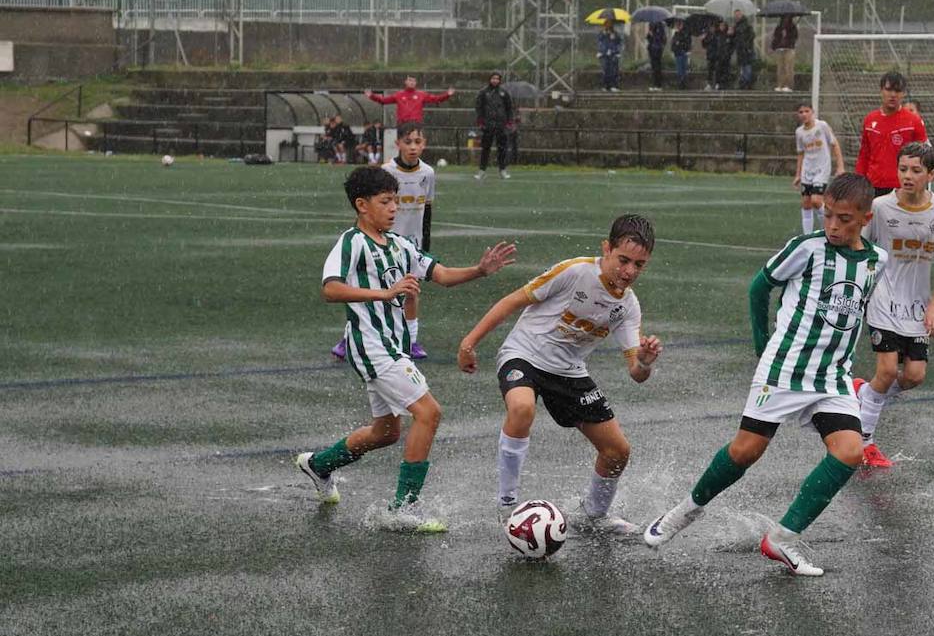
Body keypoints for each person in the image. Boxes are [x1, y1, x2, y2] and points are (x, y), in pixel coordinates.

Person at [642, 173, 887, 577]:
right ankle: (685, 511)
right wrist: (762, 344)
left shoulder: (877, 260)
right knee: (745, 452)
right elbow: (760, 287)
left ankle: (783, 538)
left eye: (844, 218)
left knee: (849, 451)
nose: (833, 226)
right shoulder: (807, 249)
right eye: (828, 216)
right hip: (784, 370)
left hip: (832, 378)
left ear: (865, 216)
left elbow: (862, 310)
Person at [296, 166, 517, 532]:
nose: (394, 208)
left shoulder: (401, 244)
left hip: (394, 347)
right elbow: (330, 289)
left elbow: (441, 275)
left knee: (386, 432)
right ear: (362, 205)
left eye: (396, 200)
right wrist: (383, 293)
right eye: (385, 201)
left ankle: (319, 465)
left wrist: (480, 269)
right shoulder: (351, 243)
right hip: (372, 346)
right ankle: (403, 508)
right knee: (429, 413)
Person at [458, 214, 663, 533]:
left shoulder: (628, 307)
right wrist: (469, 342)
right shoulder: (575, 271)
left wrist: (646, 362)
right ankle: (508, 507)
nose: (629, 271)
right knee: (522, 408)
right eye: (624, 260)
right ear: (606, 248)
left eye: (639, 265)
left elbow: (636, 373)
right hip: (523, 355)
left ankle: (595, 516)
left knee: (618, 451)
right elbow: (513, 301)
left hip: (569, 372)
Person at [852, 141, 934, 470]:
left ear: (931, 175)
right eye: (903, 169)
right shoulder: (881, 207)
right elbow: (860, 246)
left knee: (914, 376)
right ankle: (864, 443)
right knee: (886, 371)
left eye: (915, 170)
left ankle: (865, 395)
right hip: (882, 301)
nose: (907, 176)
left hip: (917, 307)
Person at [331, 122, 436, 361]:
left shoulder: (428, 173)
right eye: (407, 142)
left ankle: (410, 339)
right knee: (377, 294)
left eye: (418, 142)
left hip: (412, 242)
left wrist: (424, 243)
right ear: (397, 143)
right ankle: (349, 338)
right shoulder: (387, 171)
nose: (412, 147)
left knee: (411, 292)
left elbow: (427, 209)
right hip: (385, 245)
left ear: (425, 144)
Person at [855, 71, 928, 198]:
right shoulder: (870, 119)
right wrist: (859, 181)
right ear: (881, 90)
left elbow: (924, 157)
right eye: (888, 90)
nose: (893, 95)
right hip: (873, 186)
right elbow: (864, 154)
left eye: (898, 90)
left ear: (904, 93)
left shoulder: (913, 121)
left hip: (902, 187)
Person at [792, 102, 844, 235]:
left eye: (806, 111)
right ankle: (807, 235)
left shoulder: (822, 126)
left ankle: (826, 229)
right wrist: (798, 174)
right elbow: (801, 153)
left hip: (821, 168)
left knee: (816, 201)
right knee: (806, 203)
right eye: (801, 112)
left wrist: (840, 166)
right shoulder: (799, 132)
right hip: (807, 170)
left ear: (812, 112)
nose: (804, 114)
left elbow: (835, 144)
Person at [366, 75, 455, 125]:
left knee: (415, 146)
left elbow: (436, 99)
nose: (412, 82)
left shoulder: (421, 94)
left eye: (413, 81)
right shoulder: (399, 95)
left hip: (416, 123)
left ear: (416, 83)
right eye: (410, 80)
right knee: (404, 145)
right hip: (402, 123)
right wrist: (372, 96)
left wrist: (447, 95)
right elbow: (383, 100)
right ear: (406, 82)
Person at [474, 71, 514, 181]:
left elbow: (509, 108)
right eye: (493, 78)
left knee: (502, 149)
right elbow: (479, 108)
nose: (495, 80)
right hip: (488, 125)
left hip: (501, 125)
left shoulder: (504, 93)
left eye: (497, 79)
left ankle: (502, 170)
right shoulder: (483, 92)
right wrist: (480, 121)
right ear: (489, 79)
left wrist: (509, 122)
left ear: (500, 80)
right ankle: (482, 171)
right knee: (485, 149)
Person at [771, 14, 799, 92]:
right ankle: (780, 84)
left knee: (788, 67)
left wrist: (787, 37)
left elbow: (795, 37)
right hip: (780, 49)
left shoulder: (793, 27)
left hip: (789, 48)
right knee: (780, 68)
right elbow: (775, 37)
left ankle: (788, 85)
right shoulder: (779, 27)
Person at [733, 9, 756, 90]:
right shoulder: (736, 26)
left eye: (738, 15)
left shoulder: (746, 25)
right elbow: (735, 38)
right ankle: (743, 83)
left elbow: (752, 35)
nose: (737, 16)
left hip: (746, 50)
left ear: (741, 15)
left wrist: (747, 46)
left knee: (747, 67)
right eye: (735, 15)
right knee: (743, 67)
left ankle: (747, 83)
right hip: (740, 50)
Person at [597, 21, 623, 92]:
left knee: (613, 70)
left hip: (613, 54)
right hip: (604, 54)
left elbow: (619, 42)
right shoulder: (602, 33)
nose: (608, 26)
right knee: (605, 70)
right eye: (606, 24)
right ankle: (605, 86)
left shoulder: (615, 33)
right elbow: (600, 42)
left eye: (610, 24)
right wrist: (601, 51)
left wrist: (614, 39)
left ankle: (613, 85)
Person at [671, 19, 692, 90]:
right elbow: (673, 44)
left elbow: (687, 44)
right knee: (679, 69)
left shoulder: (686, 33)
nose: (677, 26)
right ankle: (681, 83)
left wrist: (680, 44)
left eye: (678, 25)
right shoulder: (676, 34)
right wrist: (675, 47)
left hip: (683, 53)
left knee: (683, 69)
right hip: (678, 53)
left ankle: (683, 83)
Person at [647, 19, 667, 91]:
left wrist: (653, 36)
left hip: (657, 50)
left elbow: (661, 38)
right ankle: (655, 84)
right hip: (652, 49)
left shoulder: (660, 26)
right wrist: (649, 35)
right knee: (654, 67)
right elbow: (649, 38)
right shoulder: (651, 25)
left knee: (657, 67)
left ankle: (658, 85)